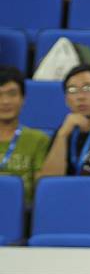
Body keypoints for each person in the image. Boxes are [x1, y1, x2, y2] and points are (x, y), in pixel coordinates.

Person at [0, 66, 50, 205]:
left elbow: (42, 190)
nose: (5, 101)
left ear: (23, 98)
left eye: (12, 94)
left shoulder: (39, 139)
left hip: (23, 215)